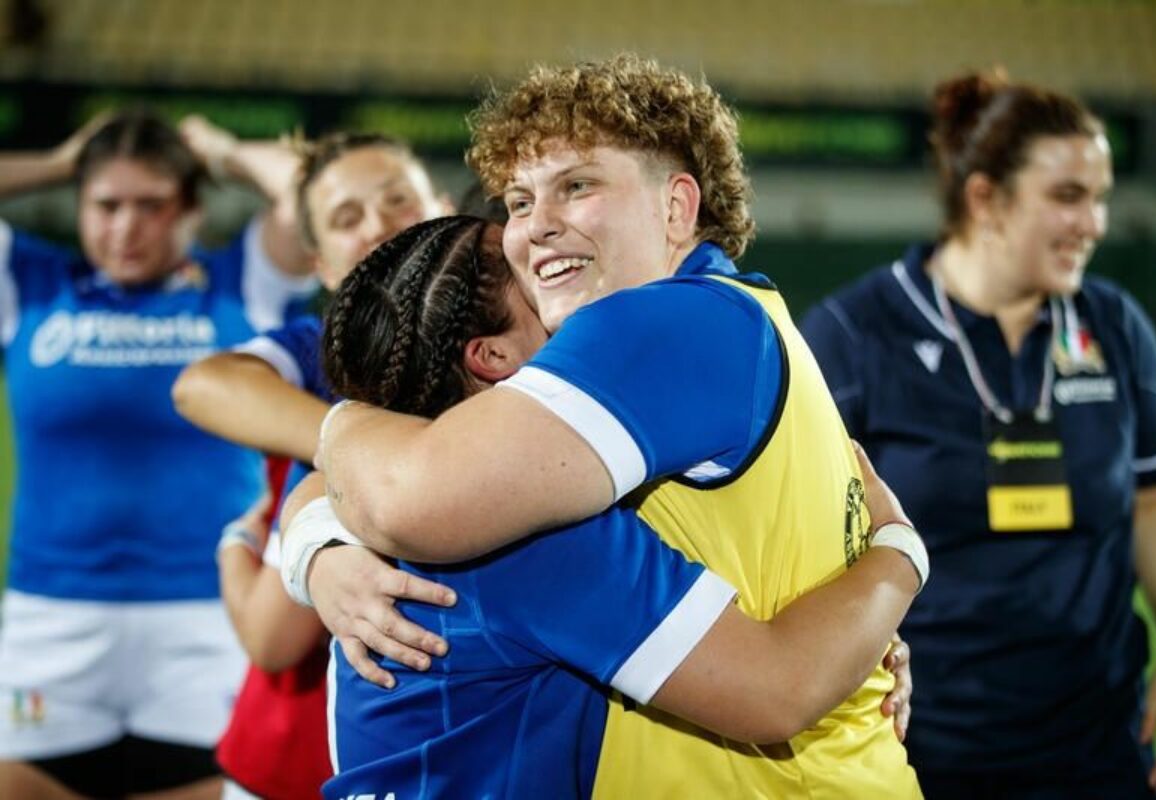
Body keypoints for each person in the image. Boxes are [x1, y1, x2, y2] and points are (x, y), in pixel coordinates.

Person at [289, 55, 924, 796]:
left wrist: (337, 441)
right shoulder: (738, 320)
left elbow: (407, 499)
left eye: (578, 186)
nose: (535, 230)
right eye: (520, 201)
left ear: (677, 207)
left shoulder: (666, 324)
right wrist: (896, 557)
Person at [800, 70, 1156, 799]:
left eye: (1101, 197)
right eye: (1069, 197)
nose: (1096, 224)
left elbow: (1155, 493)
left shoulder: (1114, 326)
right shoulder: (853, 337)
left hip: (1101, 744)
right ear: (985, 198)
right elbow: (798, 539)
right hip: (921, 745)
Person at [0, 111, 316, 800]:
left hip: (210, 620)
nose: (126, 226)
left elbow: (314, 195)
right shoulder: (30, 285)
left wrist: (228, 151)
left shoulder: (240, 286)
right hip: (48, 618)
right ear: (79, 207)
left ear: (193, 211)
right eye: (106, 204)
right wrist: (62, 158)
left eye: (152, 205)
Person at [170, 130, 452, 799]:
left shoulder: (513, 344)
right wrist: (356, 445)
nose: (380, 227)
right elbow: (200, 384)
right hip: (301, 758)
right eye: (346, 220)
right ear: (321, 267)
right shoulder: (334, 374)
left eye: (397, 201)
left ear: (443, 206)